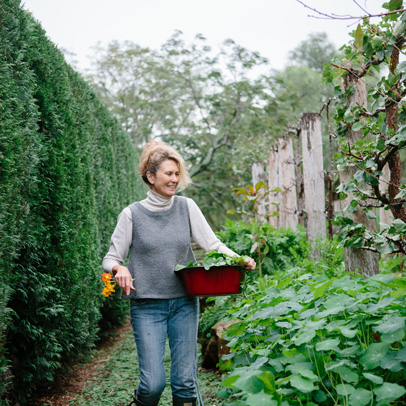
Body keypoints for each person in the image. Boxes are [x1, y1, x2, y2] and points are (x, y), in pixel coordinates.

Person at [102, 139, 256, 406]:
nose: (174, 180)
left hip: (185, 303)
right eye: (168, 174)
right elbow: (111, 258)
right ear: (150, 176)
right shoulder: (131, 215)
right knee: (152, 385)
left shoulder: (187, 207)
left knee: (185, 384)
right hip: (147, 306)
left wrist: (239, 259)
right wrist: (119, 267)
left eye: (177, 174)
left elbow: (213, 244)